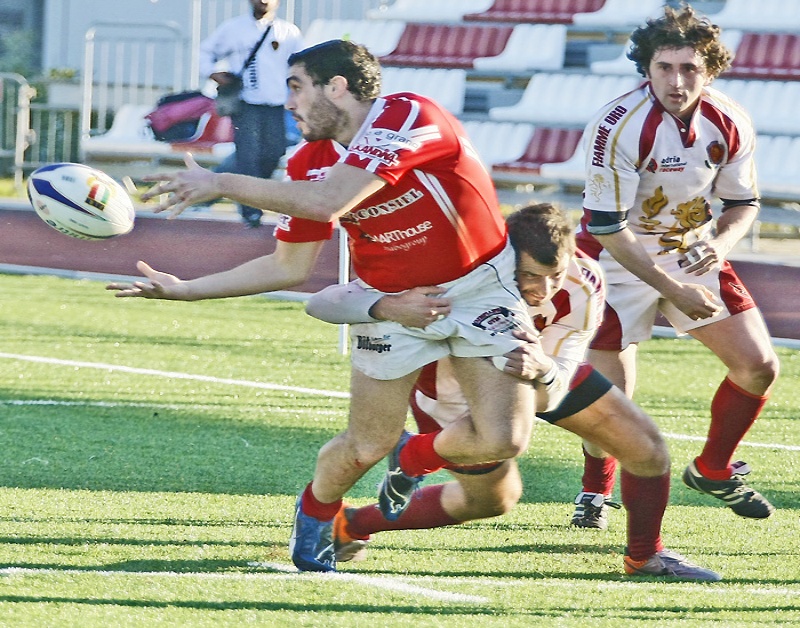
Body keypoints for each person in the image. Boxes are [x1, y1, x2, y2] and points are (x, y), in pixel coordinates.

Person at [128, 40, 539, 573]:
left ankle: (413, 458)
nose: (289, 104)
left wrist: (220, 182)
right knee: (366, 445)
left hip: (479, 291)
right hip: (389, 306)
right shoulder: (309, 160)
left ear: (337, 87)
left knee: (504, 439)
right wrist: (184, 289)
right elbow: (287, 268)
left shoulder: (408, 114)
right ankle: (318, 511)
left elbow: (329, 201)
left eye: (296, 87)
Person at [306, 204, 720, 581]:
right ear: (506, 258)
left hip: (538, 369)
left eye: (554, 276)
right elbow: (325, 303)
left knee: (645, 446)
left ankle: (645, 556)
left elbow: (561, 371)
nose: (543, 290)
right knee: (493, 500)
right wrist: (385, 306)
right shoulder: (462, 272)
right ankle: (354, 522)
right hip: (455, 387)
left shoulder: (585, 280)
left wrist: (544, 370)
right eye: (529, 276)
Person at [575, 4, 780, 520]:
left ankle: (713, 468)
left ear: (709, 70)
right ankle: (594, 490)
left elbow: (743, 204)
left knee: (758, 367)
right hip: (614, 260)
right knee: (611, 407)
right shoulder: (618, 124)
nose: (677, 79)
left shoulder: (729, 119)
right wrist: (674, 287)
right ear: (646, 68)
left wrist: (722, 243)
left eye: (690, 68)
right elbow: (606, 226)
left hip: (690, 249)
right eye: (665, 67)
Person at [199, 0, 304, 228]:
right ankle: (250, 211)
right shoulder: (233, 28)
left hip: (276, 104)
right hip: (246, 103)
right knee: (248, 155)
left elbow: (300, 65)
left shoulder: (289, 31)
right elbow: (206, 51)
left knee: (274, 152)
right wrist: (212, 73)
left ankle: (238, 191)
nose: (264, 1)